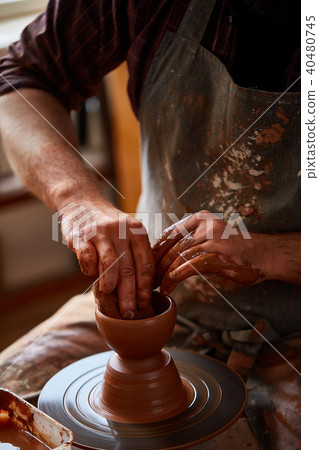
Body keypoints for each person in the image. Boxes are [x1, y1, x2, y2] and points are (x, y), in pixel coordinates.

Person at [0, 0, 300, 445]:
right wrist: (78, 201)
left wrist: (272, 253)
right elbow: (20, 79)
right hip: (145, 291)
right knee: (12, 413)